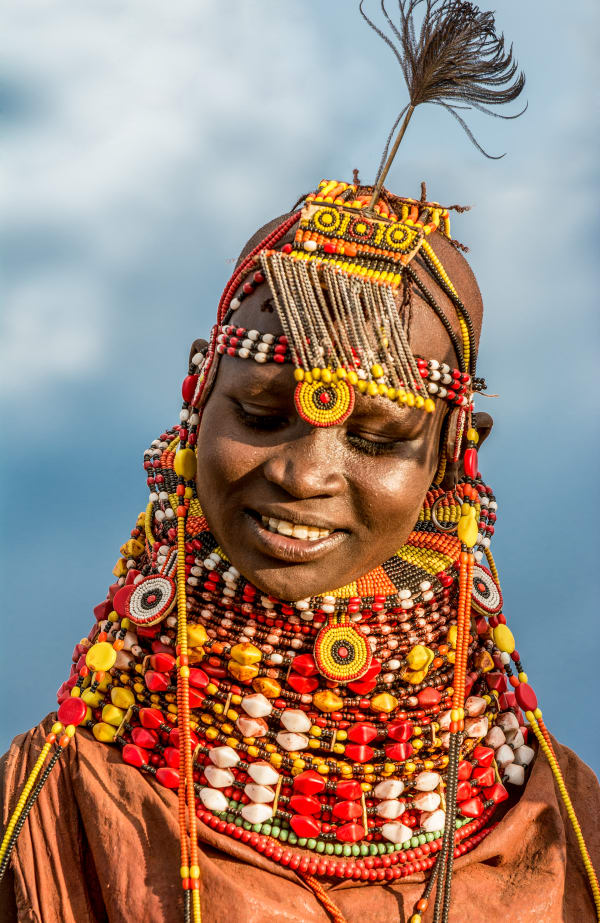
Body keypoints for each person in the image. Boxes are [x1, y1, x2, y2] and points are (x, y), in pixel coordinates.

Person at [1, 4, 599, 923]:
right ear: (196, 403)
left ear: (452, 459)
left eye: (378, 437)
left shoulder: (568, 834)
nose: (305, 473)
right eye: (262, 413)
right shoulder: (51, 811)